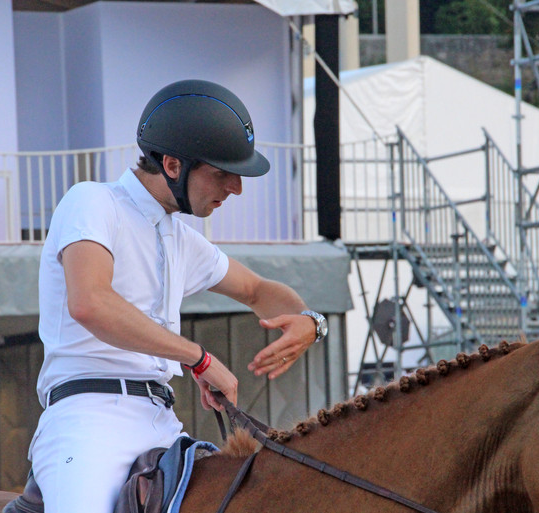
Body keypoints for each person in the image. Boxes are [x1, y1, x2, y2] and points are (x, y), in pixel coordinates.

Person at [27, 79, 328, 513]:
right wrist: (198, 357)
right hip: (86, 422)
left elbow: (259, 290)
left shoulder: (182, 240)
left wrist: (309, 321)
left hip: (163, 424)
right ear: (171, 164)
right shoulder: (91, 202)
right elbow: (90, 303)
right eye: (221, 173)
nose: (236, 188)